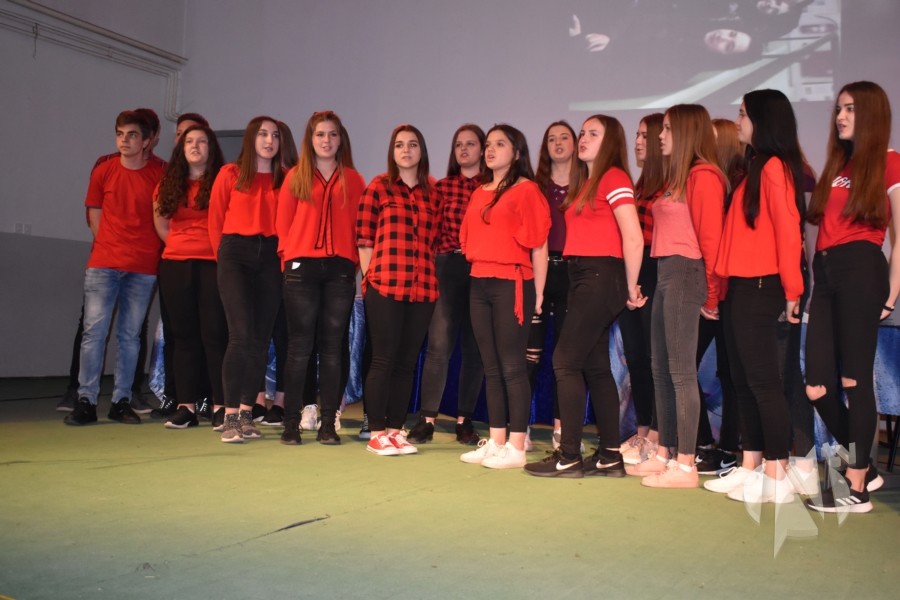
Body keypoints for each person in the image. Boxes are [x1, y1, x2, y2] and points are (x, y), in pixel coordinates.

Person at [524, 114, 644, 478]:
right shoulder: (588, 181)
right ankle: (609, 455)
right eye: (582, 133)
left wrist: (631, 286)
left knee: (564, 360)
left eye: (593, 133)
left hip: (600, 275)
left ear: (610, 142)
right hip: (582, 276)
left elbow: (633, 236)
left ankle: (569, 455)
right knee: (595, 367)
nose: (583, 138)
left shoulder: (614, 177)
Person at [805, 81, 900, 513]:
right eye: (839, 109)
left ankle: (856, 486)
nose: (840, 116)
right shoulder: (839, 165)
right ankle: (865, 464)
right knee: (816, 385)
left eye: (850, 109)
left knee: (854, 380)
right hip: (826, 274)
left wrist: (892, 292)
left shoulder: (889, 162)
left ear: (871, 114)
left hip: (861, 269)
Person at [707, 89, 805, 503]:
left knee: (763, 382)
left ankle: (778, 474)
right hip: (741, 286)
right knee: (743, 381)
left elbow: (788, 230)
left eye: (743, 114)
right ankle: (751, 466)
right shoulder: (753, 169)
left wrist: (793, 290)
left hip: (763, 286)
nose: (738, 121)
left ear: (763, 121)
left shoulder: (774, 168)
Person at [627, 104, 726, 489]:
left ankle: (686, 465)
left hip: (687, 272)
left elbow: (711, 240)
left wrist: (713, 295)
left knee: (681, 371)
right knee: (660, 368)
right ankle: (664, 452)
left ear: (685, 132)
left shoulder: (704, 176)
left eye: (667, 129)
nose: (660, 136)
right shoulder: (678, 177)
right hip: (665, 271)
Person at [64, 110, 166, 426]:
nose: (124, 140)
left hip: (142, 267)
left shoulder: (159, 174)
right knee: (94, 332)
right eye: (120, 134)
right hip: (103, 265)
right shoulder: (104, 170)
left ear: (147, 141)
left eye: (132, 135)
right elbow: (94, 212)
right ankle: (86, 400)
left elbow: (163, 217)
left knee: (130, 336)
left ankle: (121, 401)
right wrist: (109, 245)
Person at [458, 124, 550, 469]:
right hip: (479, 281)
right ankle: (496, 441)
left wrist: (538, 293)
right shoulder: (479, 191)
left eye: (500, 144)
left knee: (512, 366)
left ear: (517, 151)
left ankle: (517, 445)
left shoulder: (527, 190)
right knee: (491, 366)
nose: (490, 149)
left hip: (512, 282)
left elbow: (539, 245)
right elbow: (468, 238)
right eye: (488, 144)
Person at [276, 111, 365, 445]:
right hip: (301, 270)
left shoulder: (353, 180)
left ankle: (328, 423)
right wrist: (290, 261)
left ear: (341, 139)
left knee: (332, 348)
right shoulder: (295, 177)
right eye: (320, 134)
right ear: (310, 140)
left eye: (332, 134)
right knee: (299, 347)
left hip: (339, 270)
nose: (326, 140)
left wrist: (353, 264)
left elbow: (360, 227)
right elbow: (283, 224)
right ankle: (291, 423)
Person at [357, 124, 440, 456]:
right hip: (384, 287)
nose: (406, 150)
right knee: (383, 360)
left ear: (422, 151)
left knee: (406, 363)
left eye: (413, 144)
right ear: (392, 152)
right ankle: (377, 432)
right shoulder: (378, 187)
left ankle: (395, 430)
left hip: (423, 290)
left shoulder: (433, 193)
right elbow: (364, 239)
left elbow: (435, 241)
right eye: (400, 145)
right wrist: (370, 280)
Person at [208, 116, 290, 443]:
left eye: (275, 135)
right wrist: (224, 263)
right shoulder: (229, 174)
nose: (269, 140)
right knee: (240, 335)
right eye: (263, 134)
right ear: (251, 139)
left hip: (271, 257)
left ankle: (246, 412)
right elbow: (215, 222)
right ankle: (229, 415)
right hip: (234, 254)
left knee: (260, 339)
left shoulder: (286, 179)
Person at [408, 124, 486, 446]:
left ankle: (465, 421)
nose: (464, 149)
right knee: (438, 345)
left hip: (481, 269)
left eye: (470, 143)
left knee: (474, 349)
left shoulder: (493, 187)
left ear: (483, 149)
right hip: (447, 265)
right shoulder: (441, 187)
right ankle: (427, 419)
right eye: (458, 145)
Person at [153, 124, 228, 429]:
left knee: (215, 335)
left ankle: (221, 405)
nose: (195, 146)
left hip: (213, 265)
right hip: (175, 265)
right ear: (181, 149)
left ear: (211, 148)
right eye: (189, 142)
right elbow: (161, 224)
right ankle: (186, 407)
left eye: (202, 141)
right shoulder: (168, 184)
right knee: (184, 337)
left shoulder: (223, 182)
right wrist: (180, 246)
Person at [526, 121, 576, 448]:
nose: (558, 143)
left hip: (574, 275)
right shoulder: (535, 188)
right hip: (538, 272)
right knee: (529, 355)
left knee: (565, 357)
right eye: (551, 139)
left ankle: (562, 430)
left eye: (564, 138)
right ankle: (521, 430)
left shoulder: (587, 185)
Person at [618, 113, 664, 465]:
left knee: (654, 359)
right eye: (637, 135)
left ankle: (659, 437)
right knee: (636, 358)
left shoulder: (670, 184)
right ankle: (643, 430)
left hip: (657, 271)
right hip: (633, 270)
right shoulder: (639, 184)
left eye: (646, 136)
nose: (637, 142)